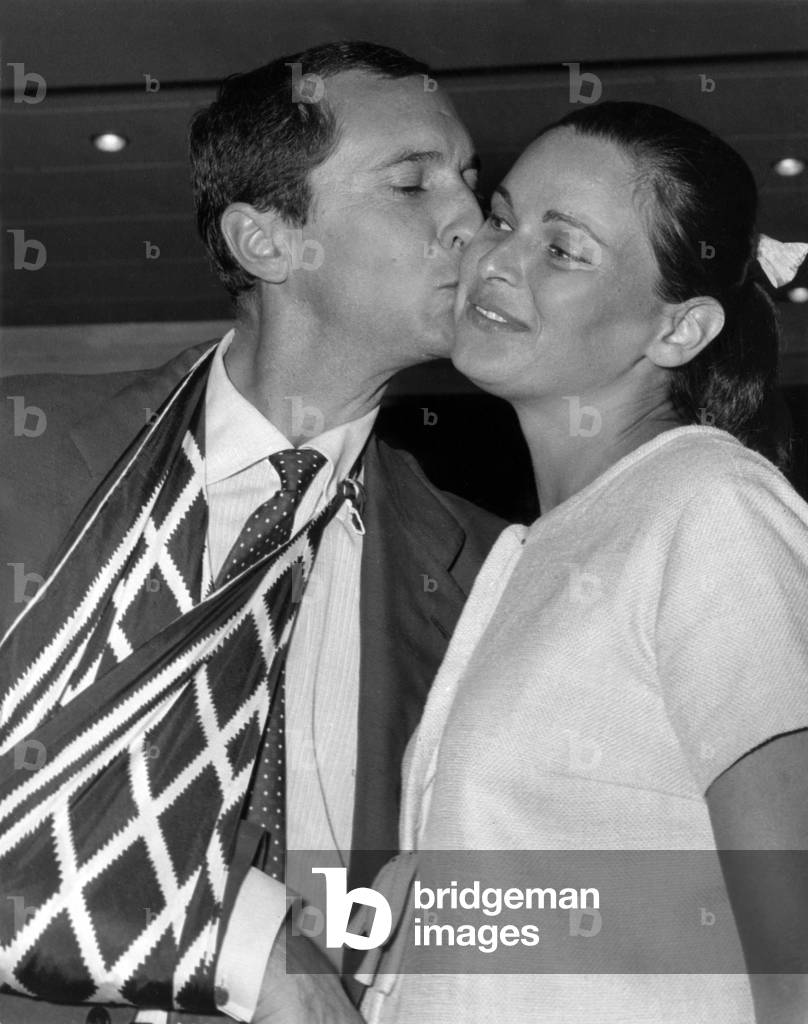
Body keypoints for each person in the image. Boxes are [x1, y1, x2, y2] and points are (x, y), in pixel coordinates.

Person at [0, 41, 504, 1024]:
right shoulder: (23, 456)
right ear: (267, 241)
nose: (472, 224)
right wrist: (250, 946)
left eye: (470, 181)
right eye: (413, 184)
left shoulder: (482, 570)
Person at [359, 102, 808, 1024]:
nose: (497, 259)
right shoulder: (535, 548)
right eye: (504, 218)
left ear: (678, 330)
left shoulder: (710, 507)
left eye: (562, 250)